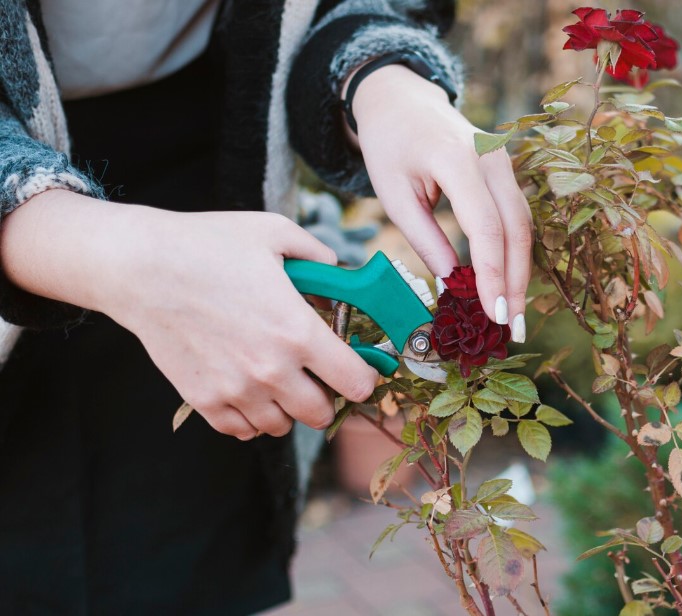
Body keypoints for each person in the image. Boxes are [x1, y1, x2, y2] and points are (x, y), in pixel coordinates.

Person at [0, 0, 532, 613]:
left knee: (197, 563)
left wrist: (382, 78)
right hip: (44, 229)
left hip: (222, 194)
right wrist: (112, 253)